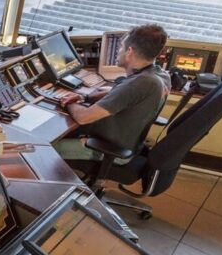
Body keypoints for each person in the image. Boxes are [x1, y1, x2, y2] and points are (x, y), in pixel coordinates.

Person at [53, 24, 170, 164]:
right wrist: (85, 97)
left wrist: (68, 101)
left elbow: (83, 117)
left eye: (121, 47)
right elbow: (118, 94)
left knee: (41, 147)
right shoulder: (158, 75)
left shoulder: (139, 84)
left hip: (108, 149)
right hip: (124, 141)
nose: (118, 51)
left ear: (129, 51)